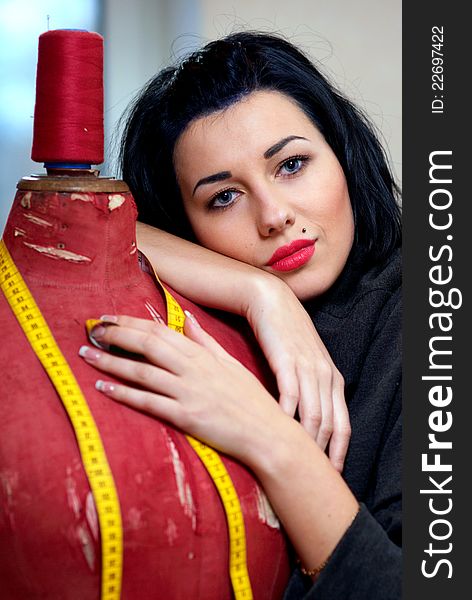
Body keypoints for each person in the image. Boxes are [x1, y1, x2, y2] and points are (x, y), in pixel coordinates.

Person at [79, 32, 402, 598]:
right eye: (223, 197)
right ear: (185, 224)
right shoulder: (206, 314)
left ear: (343, 154)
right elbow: (81, 222)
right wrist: (262, 294)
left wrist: (267, 436)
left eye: (292, 164)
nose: (274, 215)